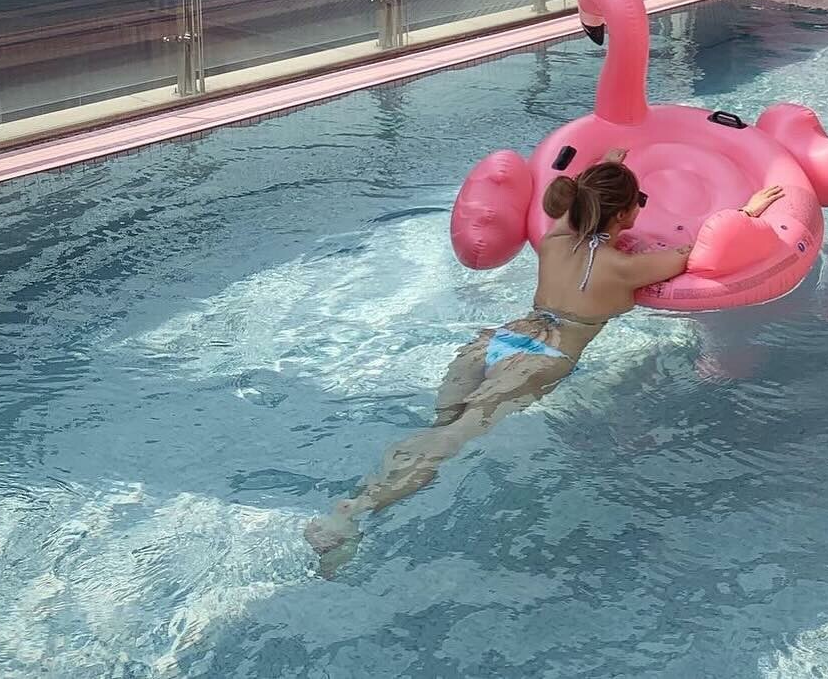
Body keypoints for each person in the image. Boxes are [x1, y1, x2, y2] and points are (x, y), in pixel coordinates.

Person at [303, 150, 784, 572]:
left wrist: (609, 161)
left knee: (441, 427)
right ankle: (352, 514)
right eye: (640, 201)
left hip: (503, 337)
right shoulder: (629, 267)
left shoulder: (557, 236)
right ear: (624, 214)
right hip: (546, 353)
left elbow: (584, 203)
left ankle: (366, 497)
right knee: (454, 439)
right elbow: (703, 250)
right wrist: (748, 211)